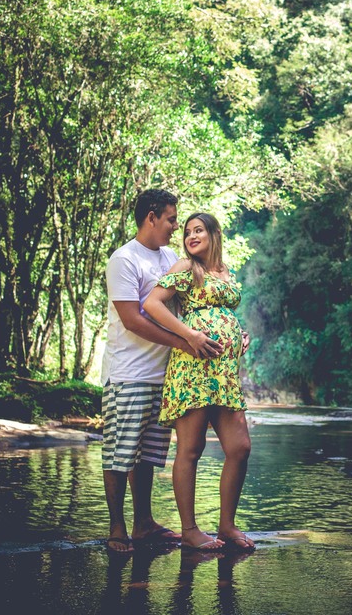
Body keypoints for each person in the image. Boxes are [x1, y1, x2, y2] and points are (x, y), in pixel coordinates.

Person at [100, 189, 214, 554]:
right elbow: (132, 320)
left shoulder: (169, 257)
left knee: (147, 455)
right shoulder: (124, 259)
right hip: (128, 373)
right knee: (121, 453)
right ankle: (117, 528)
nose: (175, 228)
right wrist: (183, 342)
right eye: (170, 220)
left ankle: (144, 523)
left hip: (164, 374)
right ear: (151, 217)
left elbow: (190, 304)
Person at [143, 212, 255, 552]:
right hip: (192, 368)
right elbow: (152, 304)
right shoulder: (184, 267)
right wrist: (190, 335)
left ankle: (227, 525)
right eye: (187, 231)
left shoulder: (224, 270)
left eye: (198, 230)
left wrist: (238, 334)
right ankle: (190, 530)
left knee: (240, 447)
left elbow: (223, 314)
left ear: (214, 234)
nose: (191, 236)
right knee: (191, 450)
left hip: (223, 374)